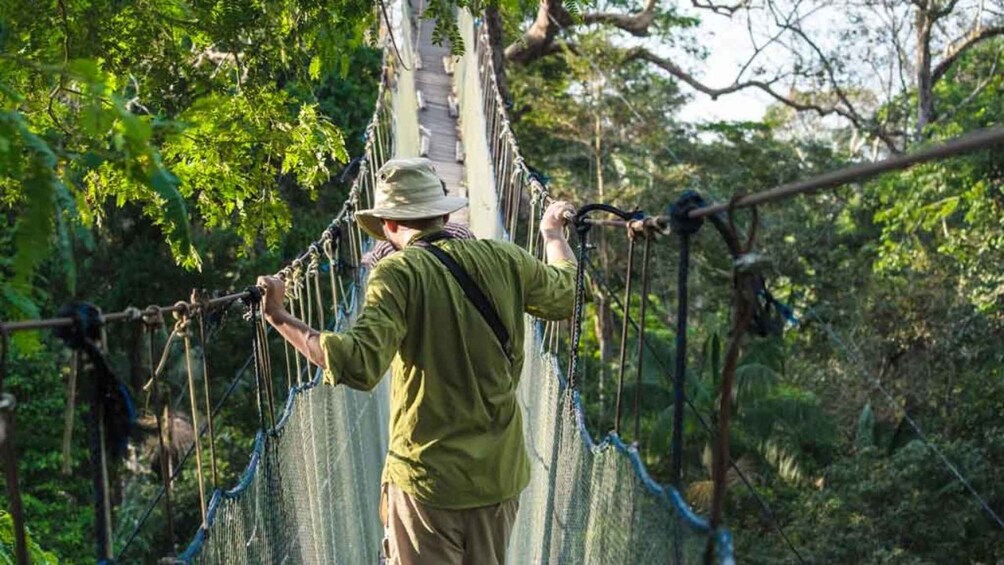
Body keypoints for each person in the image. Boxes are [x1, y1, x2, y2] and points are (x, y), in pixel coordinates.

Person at [257, 157, 577, 565]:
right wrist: (551, 234)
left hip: (426, 483)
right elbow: (566, 293)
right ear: (444, 213)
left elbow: (358, 363)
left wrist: (279, 317)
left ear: (388, 225)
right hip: (498, 478)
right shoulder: (506, 258)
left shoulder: (397, 273)